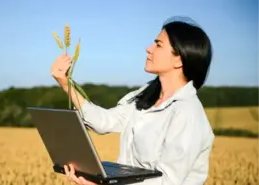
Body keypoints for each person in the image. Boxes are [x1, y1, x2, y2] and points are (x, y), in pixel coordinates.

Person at [50, 16, 215, 185]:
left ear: (179, 59)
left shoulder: (187, 113)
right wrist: (65, 84)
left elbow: (167, 182)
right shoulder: (146, 93)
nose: (148, 49)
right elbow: (104, 122)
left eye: (158, 44)